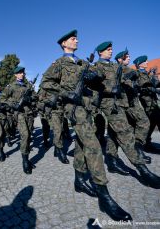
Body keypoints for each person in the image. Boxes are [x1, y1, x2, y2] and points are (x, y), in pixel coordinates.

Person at [41, 30, 132, 221]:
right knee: (93, 145)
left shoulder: (82, 62)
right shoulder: (59, 64)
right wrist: (65, 94)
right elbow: (46, 83)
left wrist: (94, 77)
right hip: (74, 108)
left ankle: (79, 179)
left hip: (88, 107)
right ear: (64, 43)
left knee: (82, 143)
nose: (77, 40)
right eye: (73, 39)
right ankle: (104, 195)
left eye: (76, 38)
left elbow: (92, 81)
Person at [94, 41, 160, 189]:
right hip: (109, 105)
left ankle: (111, 160)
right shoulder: (97, 67)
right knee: (125, 133)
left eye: (111, 49)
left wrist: (135, 73)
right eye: (108, 50)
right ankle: (143, 170)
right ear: (100, 53)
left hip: (121, 104)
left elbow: (128, 74)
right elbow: (95, 87)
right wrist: (110, 89)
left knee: (113, 133)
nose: (111, 51)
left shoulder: (115, 66)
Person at [1, 66, 37, 174]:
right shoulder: (11, 87)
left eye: (23, 73)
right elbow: (3, 99)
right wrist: (15, 105)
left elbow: (35, 97)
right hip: (19, 113)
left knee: (29, 135)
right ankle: (25, 161)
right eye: (20, 73)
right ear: (15, 75)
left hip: (29, 114)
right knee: (25, 135)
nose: (22, 74)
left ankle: (27, 157)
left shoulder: (27, 86)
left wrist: (29, 99)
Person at [134, 56, 160, 152]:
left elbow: (156, 83)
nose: (147, 62)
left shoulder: (146, 73)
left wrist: (154, 75)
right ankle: (144, 145)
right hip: (146, 103)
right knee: (153, 121)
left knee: (151, 124)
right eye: (145, 61)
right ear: (140, 63)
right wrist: (151, 88)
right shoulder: (138, 74)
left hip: (153, 102)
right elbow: (141, 86)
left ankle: (147, 144)